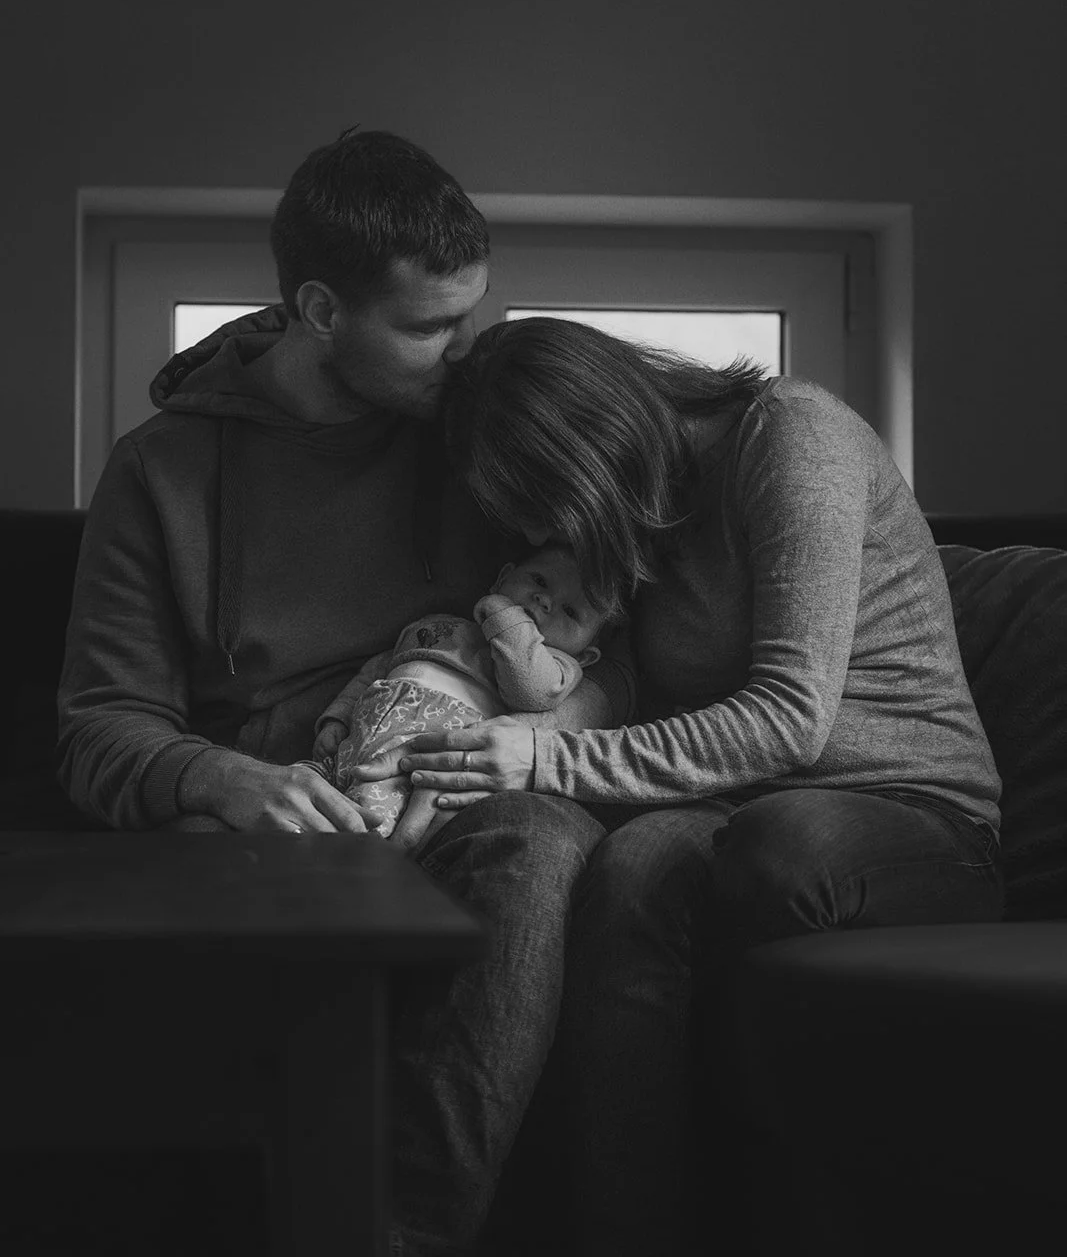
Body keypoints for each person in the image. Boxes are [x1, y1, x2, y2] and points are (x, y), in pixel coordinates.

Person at [56, 130, 633, 1257]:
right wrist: (218, 777)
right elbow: (96, 728)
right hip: (279, 823)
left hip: (467, 787)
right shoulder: (159, 473)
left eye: (468, 317)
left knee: (537, 837)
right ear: (320, 310)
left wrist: (543, 732)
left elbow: (597, 641)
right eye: (427, 328)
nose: (460, 354)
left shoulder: (475, 437)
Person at [353, 314, 1006, 1256]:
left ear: (590, 448)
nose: (547, 537)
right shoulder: (641, 522)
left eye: (546, 505)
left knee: (768, 845)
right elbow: (618, 690)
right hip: (723, 811)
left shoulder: (790, 437)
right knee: (629, 865)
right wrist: (495, 738)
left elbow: (790, 716)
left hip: (909, 816)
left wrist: (543, 758)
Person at [313, 543, 610, 841]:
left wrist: (505, 616)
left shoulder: (557, 668)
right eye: (539, 581)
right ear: (503, 577)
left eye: (570, 611)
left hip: (416, 757)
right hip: (354, 741)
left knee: (364, 818)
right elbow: (377, 669)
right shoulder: (440, 622)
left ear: (585, 656)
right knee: (303, 794)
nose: (544, 600)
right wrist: (337, 717)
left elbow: (529, 691)